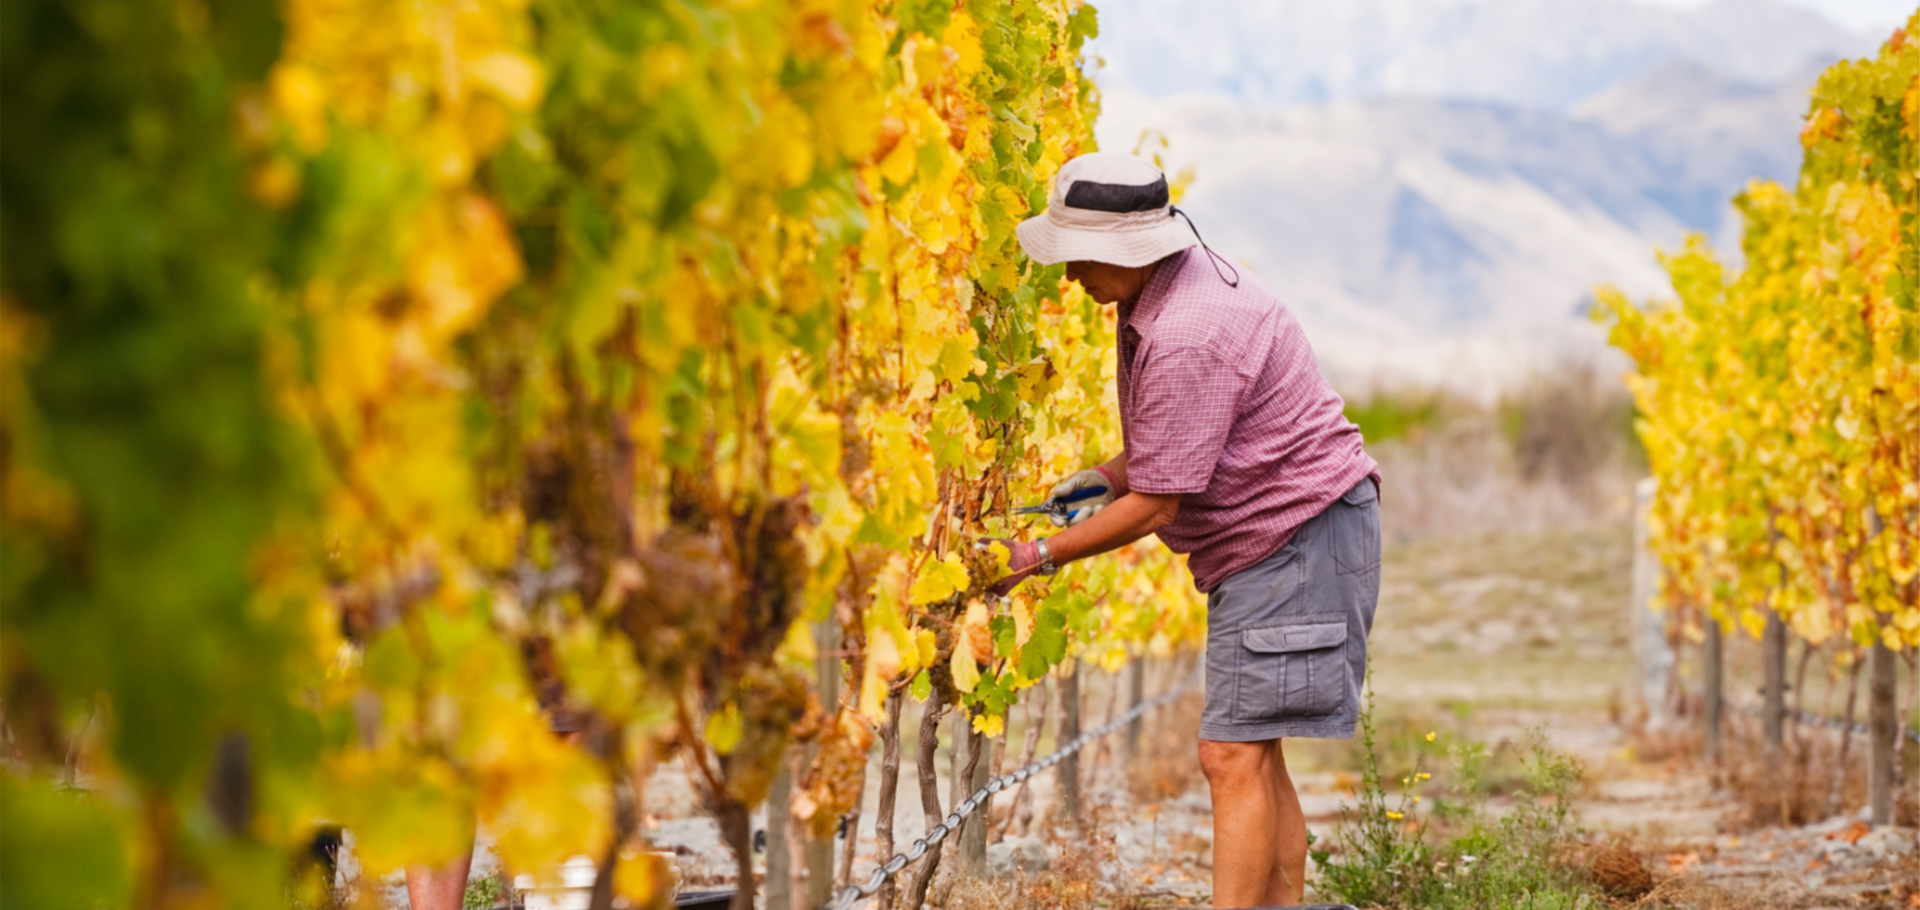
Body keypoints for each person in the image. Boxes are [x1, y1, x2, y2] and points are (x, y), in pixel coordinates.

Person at [989, 152, 1380, 908]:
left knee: (1231, 755)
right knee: (1252, 756)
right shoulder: (1169, 293)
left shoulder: (1190, 331)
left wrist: (1035, 556)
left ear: (1128, 251)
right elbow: (1173, 442)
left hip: (1297, 537)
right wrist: (1090, 486)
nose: (1070, 278)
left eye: (1078, 258)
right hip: (1292, 537)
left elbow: (1161, 500)